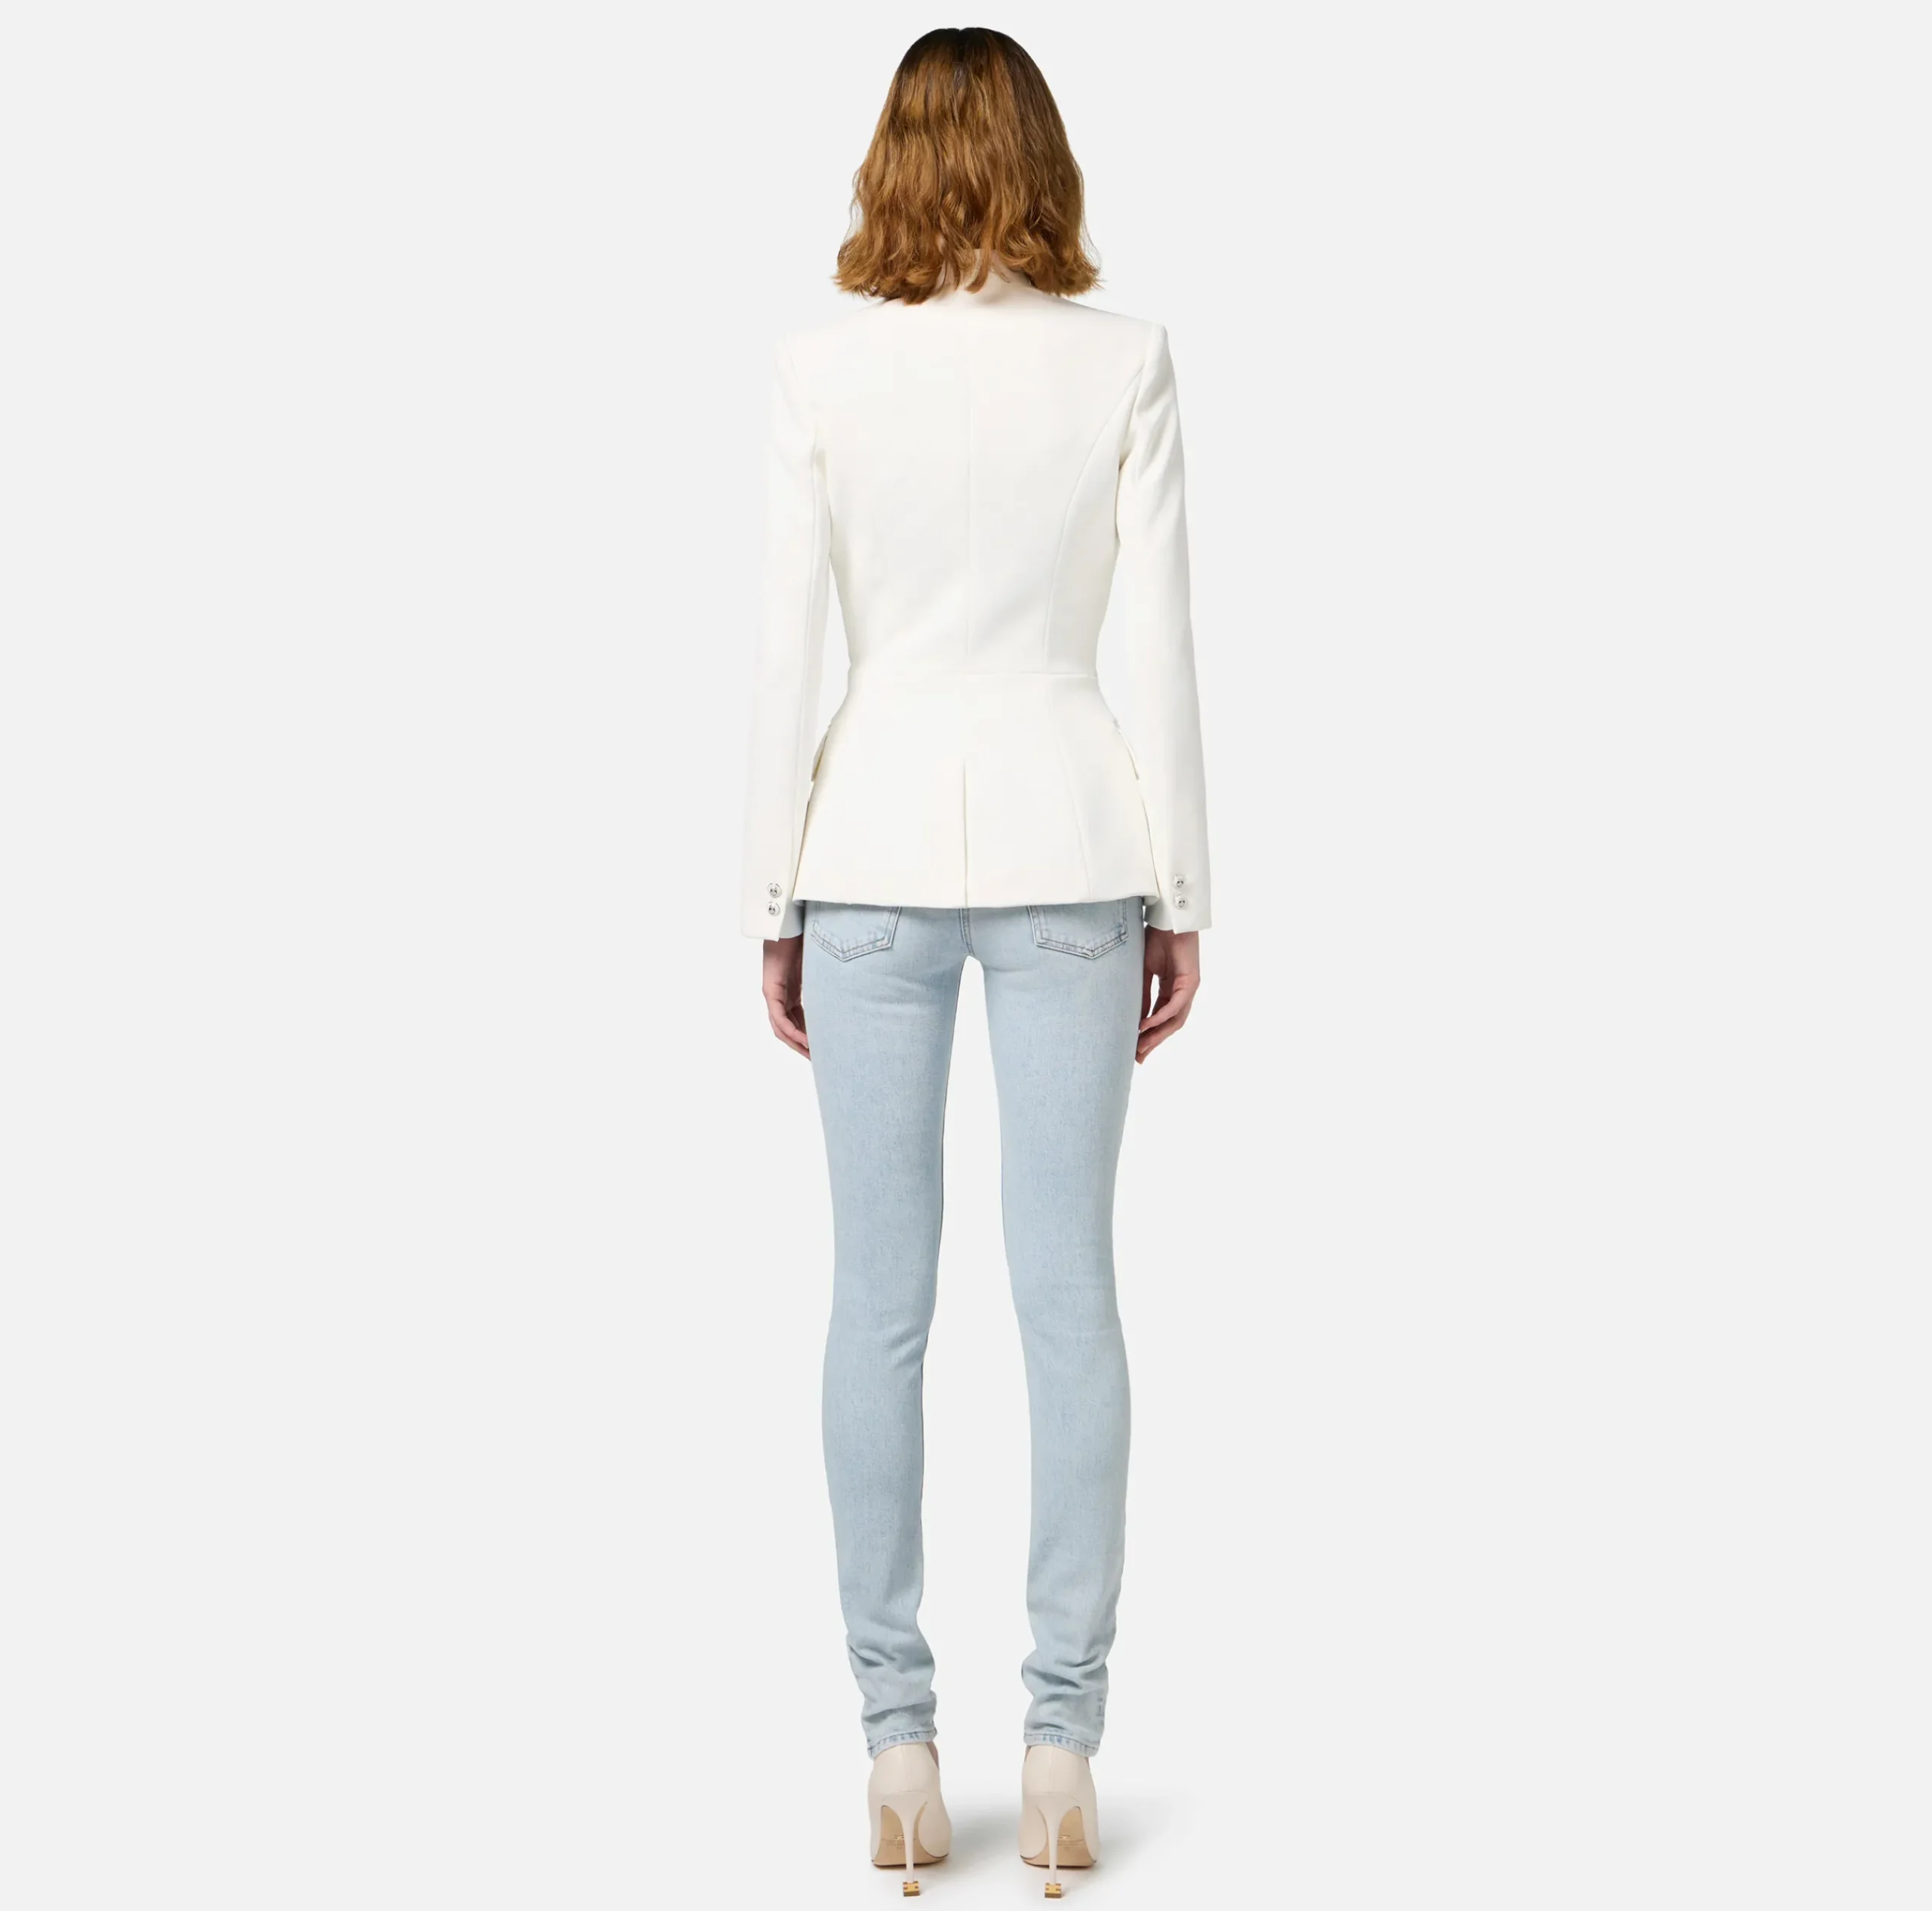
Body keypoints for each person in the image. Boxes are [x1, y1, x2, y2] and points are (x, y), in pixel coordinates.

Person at [740, 26, 1211, 1896]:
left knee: (876, 1302)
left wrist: (767, 895)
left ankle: (896, 1749)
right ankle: (1064, 1748)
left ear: (891, 157)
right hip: (1072, 849)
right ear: (1042, 157)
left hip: (861, 855)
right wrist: (1181, 887)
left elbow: (786, 654)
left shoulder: (819, 373)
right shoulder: (1123, 362)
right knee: (1067, 1295)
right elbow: (1158, 645)